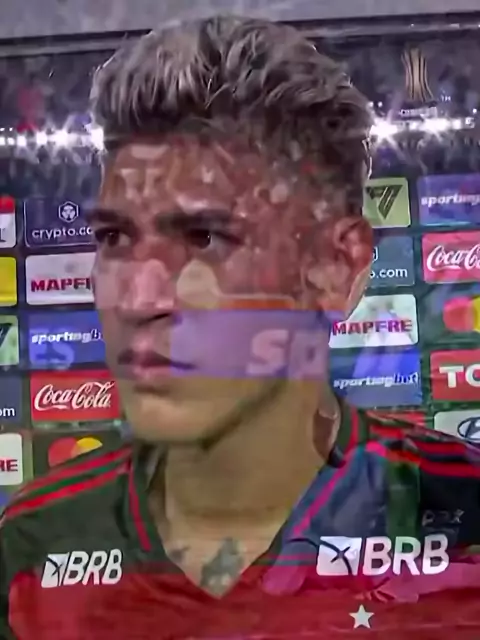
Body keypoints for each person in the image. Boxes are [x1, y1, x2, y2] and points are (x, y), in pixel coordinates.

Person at [1, 15, 480, 639]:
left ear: (336, 267)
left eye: (204, 238)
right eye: (115, 237)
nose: (139, 298)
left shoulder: (465, 515)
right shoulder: (34, 545)